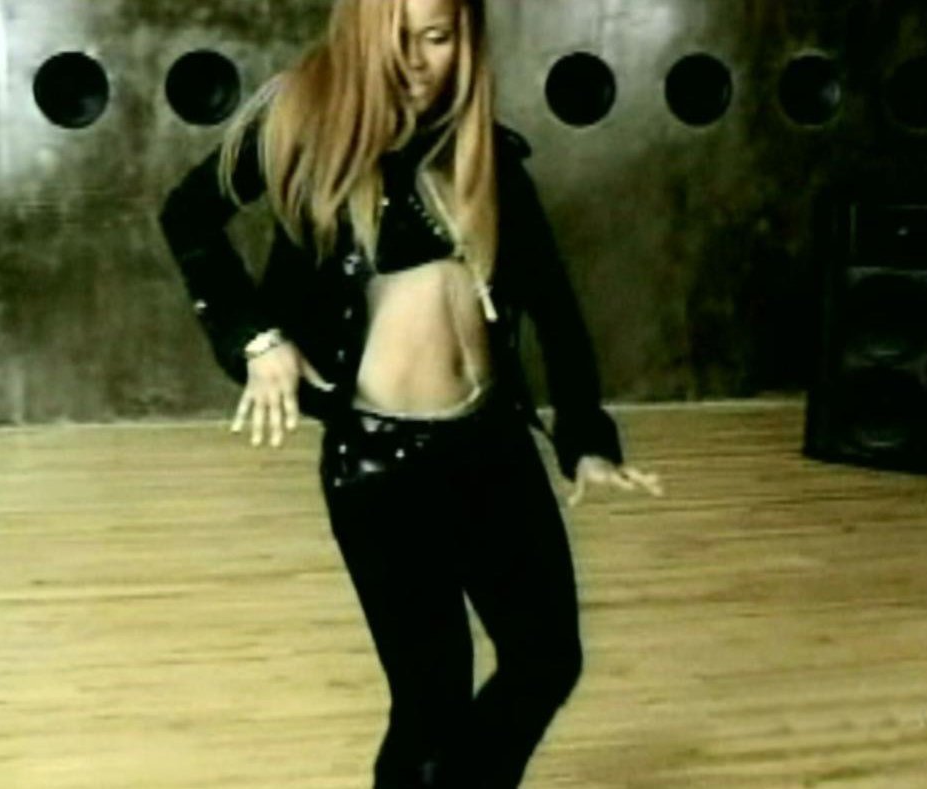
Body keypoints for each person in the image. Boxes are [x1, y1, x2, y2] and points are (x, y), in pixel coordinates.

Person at [159, 0, 663, 785]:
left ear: (466, 38)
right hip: (382, 467)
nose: (417, 62)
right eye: (396, 39)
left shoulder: (482, 149)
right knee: (431, 701)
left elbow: (553, 304)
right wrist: (255, 337)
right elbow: (188, 214)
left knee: (546, 658)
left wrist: (585, 437)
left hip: (492, 442)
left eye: (437, 36)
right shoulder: (303, 120)